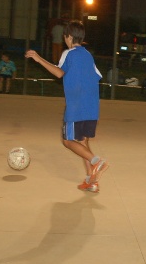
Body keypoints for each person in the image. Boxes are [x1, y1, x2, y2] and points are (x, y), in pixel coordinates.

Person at [25, 20, 109, 193]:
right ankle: (91, 181)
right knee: (82, 142)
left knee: (68, 141)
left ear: (69, 37)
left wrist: (38, 59)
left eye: (65, 36)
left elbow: (59, 72)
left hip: (76, 106)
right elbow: (96, 76)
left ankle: (97, 161)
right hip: (92, 106)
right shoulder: (88, 55)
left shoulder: (69, 53)